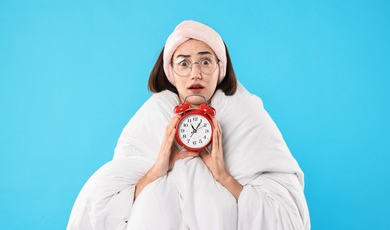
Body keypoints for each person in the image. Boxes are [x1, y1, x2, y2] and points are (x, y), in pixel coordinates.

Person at [67, 20, 311, 230]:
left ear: (220, 68)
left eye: (205, 62)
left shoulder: (246, 114)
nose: (196, 74)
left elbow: (284, 216)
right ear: (171, 71)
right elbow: (106, 210)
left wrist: (223, 176)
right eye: (184, 63)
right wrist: (157, 170)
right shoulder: (151, 117)